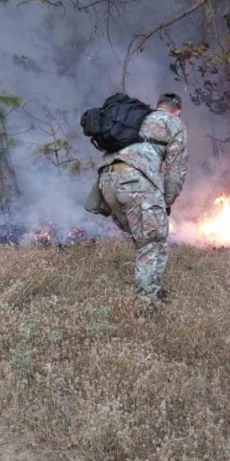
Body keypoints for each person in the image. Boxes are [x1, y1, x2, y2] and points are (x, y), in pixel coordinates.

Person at [95, 93, 188, 310]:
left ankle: (152, 286)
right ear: (177, 111)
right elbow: (176, 170)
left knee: (152, 235)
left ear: (157, 106)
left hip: (107, 181)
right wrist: (167, 202)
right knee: (150, 239)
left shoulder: (138, 118)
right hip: (136, 181)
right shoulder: (174, 123)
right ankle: (145, 303)